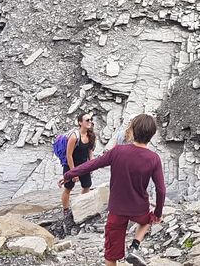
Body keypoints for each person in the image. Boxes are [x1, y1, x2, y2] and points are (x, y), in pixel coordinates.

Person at [61, 113, 166, 266]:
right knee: (149, 220)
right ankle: (135, 246)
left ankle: (132, 249)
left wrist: (69, 174)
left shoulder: (117, 152)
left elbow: (92, 164)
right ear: (152, 134)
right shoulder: (154, 158)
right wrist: (158, 213)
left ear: (133, 130)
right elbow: (161, 190)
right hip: (139, 209)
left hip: (117, 210)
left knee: (111, 256)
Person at [61, 113, 95, 221]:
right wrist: (73, 172)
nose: (90, 121)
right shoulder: (74, 136)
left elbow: (90, 151)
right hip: (71, 165)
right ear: (80, 123)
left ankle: (79, 204)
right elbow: (69, 155)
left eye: (91, 119)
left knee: (87, 185)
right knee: (68, 187)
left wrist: (91, 165)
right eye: (87, 120)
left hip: (84, 165)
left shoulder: (91, 135)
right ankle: (66, 209)